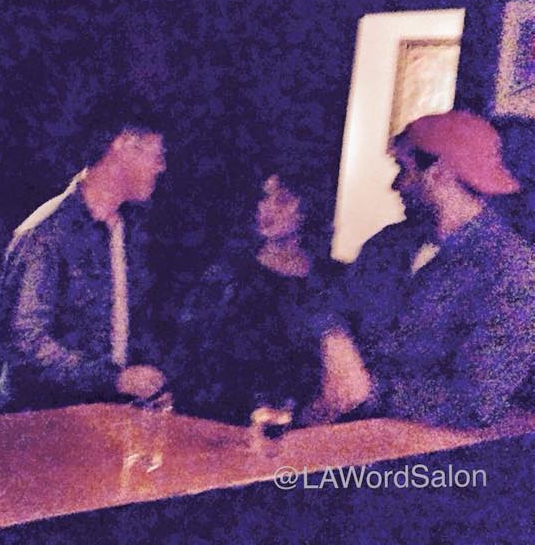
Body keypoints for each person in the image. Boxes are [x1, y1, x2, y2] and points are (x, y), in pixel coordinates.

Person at [324, 110, 535, 428]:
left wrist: (372, 392)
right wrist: (333, 337)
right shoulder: (387, 244)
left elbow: (475, 403)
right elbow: (332, 303)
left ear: (439, 174)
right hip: (337, 428)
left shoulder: (511, 272)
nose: (395, 184)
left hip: (420, 449)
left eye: (403, 169)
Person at [0, 96, 169, 412]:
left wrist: (146, 383)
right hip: (44, 421)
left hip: (106, 417)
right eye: (157, 156)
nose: (161, 167)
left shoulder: (132, 231)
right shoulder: (46, 233)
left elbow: (133, 328)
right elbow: (25, 344)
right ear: (123, 145)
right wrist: (113, 380)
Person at [175, 172, 342, 425]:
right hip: (224, 416)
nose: (267, 208)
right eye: (265, 197)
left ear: (307, 210)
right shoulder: (231, 269)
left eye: (282, 200)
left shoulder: (327, 279)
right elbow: (193, 339)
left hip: (297, 423)